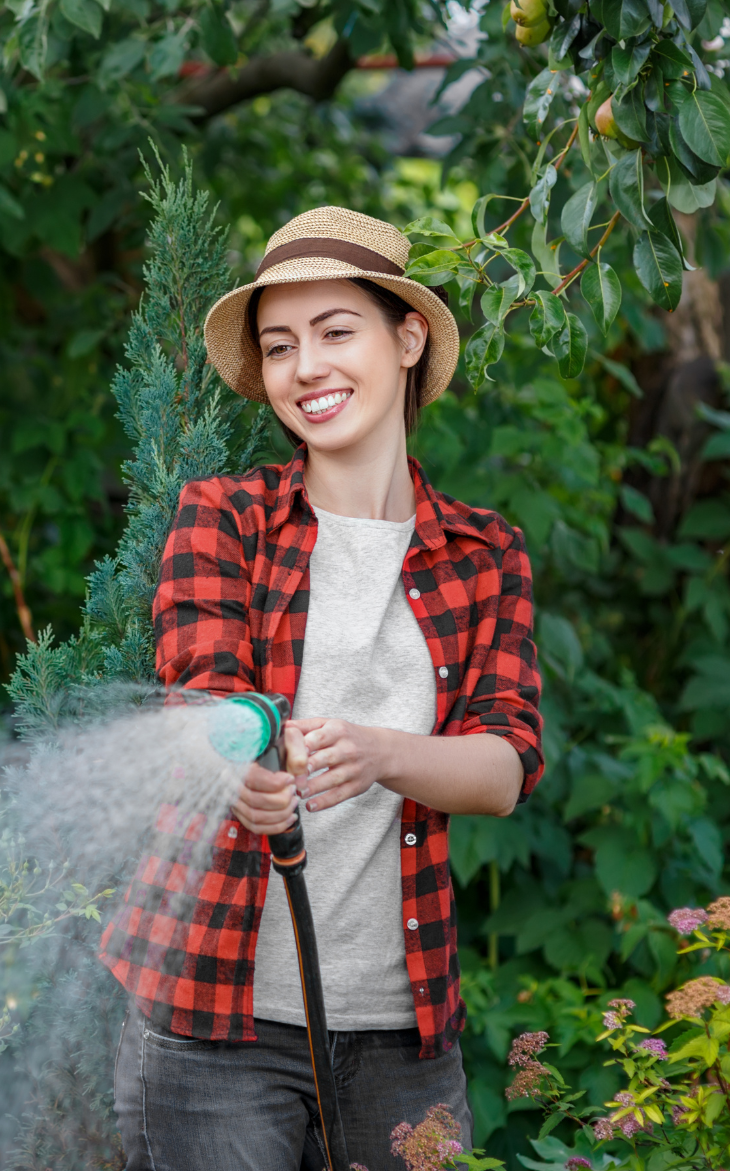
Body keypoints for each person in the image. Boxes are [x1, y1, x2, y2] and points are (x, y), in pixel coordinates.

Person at [100, 207, 544, 1171]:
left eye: (337, 331)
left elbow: (505, 763)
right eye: (279, 346)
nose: (308, 367)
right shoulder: (223, 518)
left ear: (407, 336)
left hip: (401, 1031)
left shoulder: (483, 552)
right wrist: (239, 765)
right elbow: (203, 689)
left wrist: (380, 752)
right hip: (215, 1019)